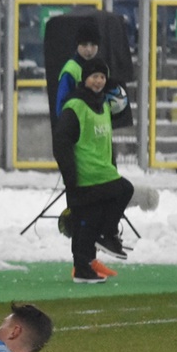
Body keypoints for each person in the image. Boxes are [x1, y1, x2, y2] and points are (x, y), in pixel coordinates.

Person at [52, 57, 134, 284]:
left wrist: (112, 166)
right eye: (94, 76)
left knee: (90, 217)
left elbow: (106, 140)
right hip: (86, 173)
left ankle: (85, 265)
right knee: (123, 191)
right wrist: (70, 174)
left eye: (102, 77)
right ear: (84, 79)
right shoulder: (76, 106)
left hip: (101, 171)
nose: (98, 81)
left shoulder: (103, 105)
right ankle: (105, 237)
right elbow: (61, 140)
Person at [54, 21, 100, 120]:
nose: (89, 50)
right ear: (77, 45)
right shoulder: (70, 70)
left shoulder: (102, 67)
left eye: (93, 44)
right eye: (84, 44)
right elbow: (61, 107)